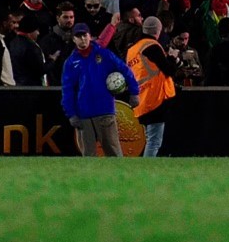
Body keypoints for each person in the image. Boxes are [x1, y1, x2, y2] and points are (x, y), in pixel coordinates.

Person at [61, 23, 141, 157]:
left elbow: (125, 70)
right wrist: (71, 114)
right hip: (83, 114)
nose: (82, 39)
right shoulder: (70, 62)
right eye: (78, 36)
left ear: (90, 36)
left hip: (104, 111)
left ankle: (121, 177)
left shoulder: (104, 54)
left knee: (114, 153)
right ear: (73, 39)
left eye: (84, 35)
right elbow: (67, 90)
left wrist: (134, 92)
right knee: (88, 156)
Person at [125, 16, 178, 157]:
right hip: (155, 98)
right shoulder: (152, 46)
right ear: (158, 31)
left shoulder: (132, 50)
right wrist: (173, 57)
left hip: (140, 98)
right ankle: (146, 170)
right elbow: (169, 70)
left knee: (151, 137)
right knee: (154, 141)